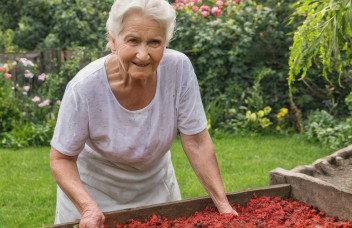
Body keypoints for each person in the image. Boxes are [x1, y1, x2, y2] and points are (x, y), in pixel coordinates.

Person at [49, 0, 237, 226]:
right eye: (133, 40)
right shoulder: (85, 87)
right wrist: (88, 208)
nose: (143, 55)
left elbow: (196, 141)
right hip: (94, 198)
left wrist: (223, 205)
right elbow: (61, 158)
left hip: (157, 194)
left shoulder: (178, 69)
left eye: (154, 42)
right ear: (113, 41)